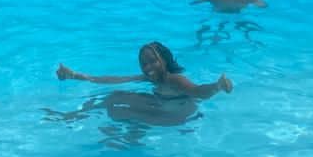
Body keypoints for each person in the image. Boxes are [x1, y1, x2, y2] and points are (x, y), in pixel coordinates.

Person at [57, 41, 233, 100]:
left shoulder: (174, 79)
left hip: (184, 118)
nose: (148, 67)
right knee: (114, 98)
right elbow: (112, 80)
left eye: (152, 61)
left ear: (164, 60)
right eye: (143, 63)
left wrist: (217, 86)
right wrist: (73, 75)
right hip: (166, 111)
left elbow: (197, 91)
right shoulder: (150, 79)